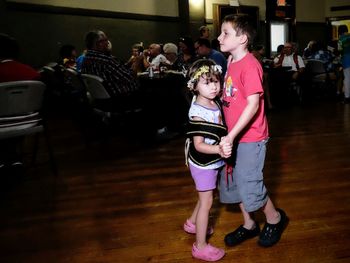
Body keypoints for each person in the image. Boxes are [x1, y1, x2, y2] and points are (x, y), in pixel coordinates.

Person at [217, 14, 288, 248]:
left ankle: (275, 219)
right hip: (232, 136)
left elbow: (253, 104)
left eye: (225, 33)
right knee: (235, 183)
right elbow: (230, 96)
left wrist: (231, 135)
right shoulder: (231, 61)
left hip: (250, 138)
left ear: (243, 38)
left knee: (250, 183)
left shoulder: (249, 65)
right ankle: (249, 224)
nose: (220, 37)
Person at [184, 59, 229, 261]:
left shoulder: (212, 101)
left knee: (205, 196)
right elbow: (198, 145)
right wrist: (219, 149)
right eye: (207, 82)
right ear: (194, 86)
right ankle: (200, 246)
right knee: (207, 202)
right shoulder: (198, 112)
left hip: (210, 161)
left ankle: (192, 223)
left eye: (216, 81)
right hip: (204, 163)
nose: (214, 86)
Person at [81, 30, 139, 111]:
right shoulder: (106, 60)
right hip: (121, 99)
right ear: (98, 43)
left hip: (99, 99)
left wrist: (130, 63)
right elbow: (130, 77)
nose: (108, 43)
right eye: (105, 40)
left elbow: (117, 70)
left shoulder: (86, 59)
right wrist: (137, 62)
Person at [338, 25, 350, 104]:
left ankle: (347, 97)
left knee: (347, 78)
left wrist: (340, 63)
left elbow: (340, 52)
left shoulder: (341, 39)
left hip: (346, 60)